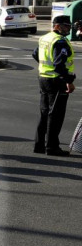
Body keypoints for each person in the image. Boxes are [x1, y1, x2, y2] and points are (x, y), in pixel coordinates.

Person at [34, 15, 75, 156]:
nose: (68, 28)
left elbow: (35, 54)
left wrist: (45, 67)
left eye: (69, 26)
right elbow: (59, 65)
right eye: (65, 26)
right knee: (55, 116)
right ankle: (52, 147)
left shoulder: (45, 38)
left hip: (43, 78)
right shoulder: (60, 42)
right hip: (56, 81)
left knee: (45, 112)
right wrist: (69, 81)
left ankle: (39, 145)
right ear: (56, 26)